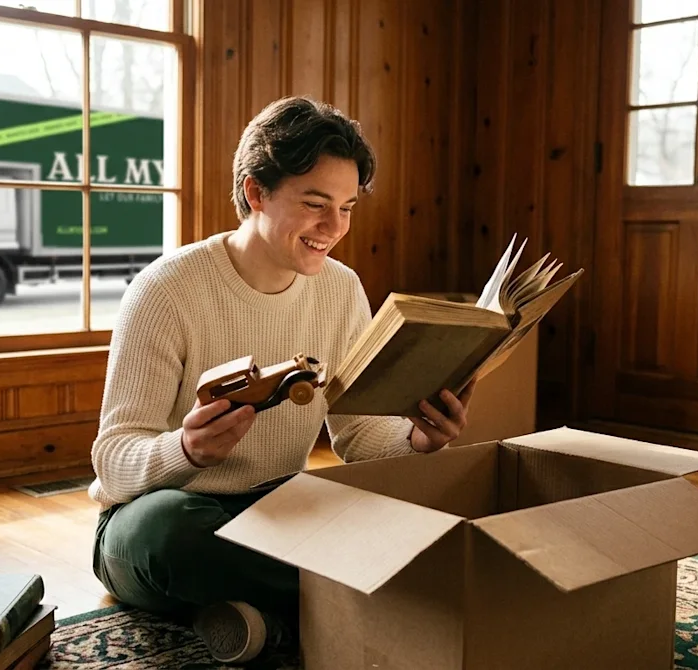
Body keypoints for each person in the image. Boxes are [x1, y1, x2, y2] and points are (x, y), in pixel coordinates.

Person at [88, 95, 474, 664]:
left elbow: (356, 434)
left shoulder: (341, 290)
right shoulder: (166, 290)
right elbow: (113, 461)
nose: (333, 227)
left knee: (376, 510)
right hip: (159, 520)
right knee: (167, 532)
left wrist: (417, 439)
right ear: (255, 192)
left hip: (277, 512)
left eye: (346, 208)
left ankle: (265, 620)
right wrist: (186, 450)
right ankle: (364, 605)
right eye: (315, 204)